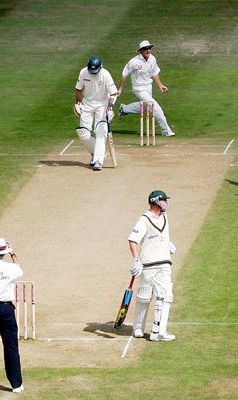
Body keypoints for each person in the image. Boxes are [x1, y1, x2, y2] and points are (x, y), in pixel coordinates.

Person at [128, 190, 177, 341]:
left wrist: (167, 243)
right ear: (155, 201)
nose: (166, 202)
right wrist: (136, 260)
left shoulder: (165, 217)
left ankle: (159, 331)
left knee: (165, 296)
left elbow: (160, 234)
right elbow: (133, 240)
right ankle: (138, 328)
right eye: (163, 200)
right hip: (148, 264)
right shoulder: (144, 220)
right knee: (144, 296)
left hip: (164, 263)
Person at [117, 40, 176, 137]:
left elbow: (155, 73)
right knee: (155, 108)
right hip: (139, 89)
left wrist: (160, 85)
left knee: (147, 107)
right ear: (141, 51)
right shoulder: (134, 62)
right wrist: (120, 89)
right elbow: (124, 74)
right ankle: (166, 130)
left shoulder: (152, 59)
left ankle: (124, 109)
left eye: (149, 48)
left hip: (149, 87)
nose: (148, 50)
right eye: (145, 49)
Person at [0, 238, 24, 393]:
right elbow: (20, 269)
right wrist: (13, 253)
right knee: (11, 346)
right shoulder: (11, 268)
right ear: (4, 252)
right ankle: (16, 384)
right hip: (5, 310)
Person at [74, 55, 118, 171]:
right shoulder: (83, 72)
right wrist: (78, 103)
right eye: (91, 71)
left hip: (102, 104)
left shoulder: (106, 75)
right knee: (83, 132)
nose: (93, 73)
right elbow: (78, 89)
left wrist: (110, 107)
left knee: (100, 132)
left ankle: (98, 160)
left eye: (95, 71)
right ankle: (97, 152)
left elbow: (113, 94)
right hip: (87, 103)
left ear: (101, 67)